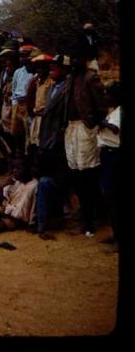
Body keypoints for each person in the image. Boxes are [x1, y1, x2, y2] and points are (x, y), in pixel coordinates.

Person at [64, 47, 107, 237]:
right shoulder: (70, 78)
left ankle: (91, 220)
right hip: (71, 128)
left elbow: (101, 105)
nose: (73, 62)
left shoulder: (90, 77)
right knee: (75, 172)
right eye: (72, 58)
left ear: (85, 60)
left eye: (77, 58)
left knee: (87, 174)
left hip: (85, 128)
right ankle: (86, 214)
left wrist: (93, 124)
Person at [32, 55, 71, 240]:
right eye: (51, 67)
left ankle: (59, 210)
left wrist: (59, 135)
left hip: (59, 137)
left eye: (55, 68)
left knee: (56, 176)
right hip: (47, 135)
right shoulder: (52, 87)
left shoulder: (67, 88)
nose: (51, 70)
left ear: (64, 70)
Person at [97, 81, 121, 253]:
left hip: (115, 155)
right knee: (108, 196)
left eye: (108, 94)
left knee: (114, 198)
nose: (106, 97)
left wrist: (102, 123)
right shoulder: (113, 111)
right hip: (107, 154)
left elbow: (115, 130)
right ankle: (114, 234)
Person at [10, 46, 35, 155]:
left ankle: (28, 156)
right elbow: (14, 89)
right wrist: (14, 104)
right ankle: (18, 155)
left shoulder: (34, 74)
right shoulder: (18, 72)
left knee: (29, 133)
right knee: (17, 132)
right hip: (18, 105)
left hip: (28, 105)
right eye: (21, 56)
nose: (22, 59)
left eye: (24, 56)